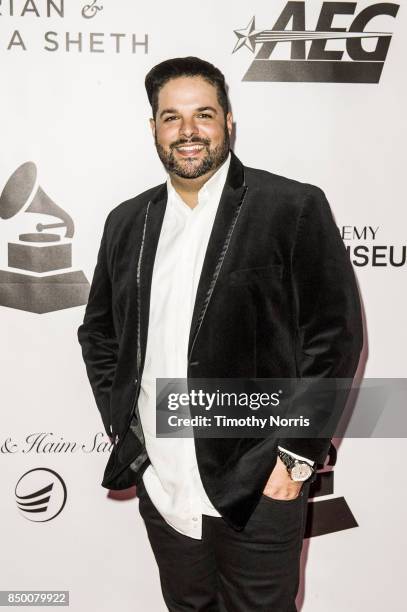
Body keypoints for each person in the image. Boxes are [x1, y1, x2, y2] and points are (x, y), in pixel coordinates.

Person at [77, 56, 363, 611]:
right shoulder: (126, 222)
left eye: (203, 114)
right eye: (171, 117)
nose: (188, 131)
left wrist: (296, 459)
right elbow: (100, 333)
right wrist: (128, 431)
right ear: (154, 128)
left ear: (229, 121)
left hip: (259, 480)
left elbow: (333, 340)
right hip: (163, 484)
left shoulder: (291, 206)